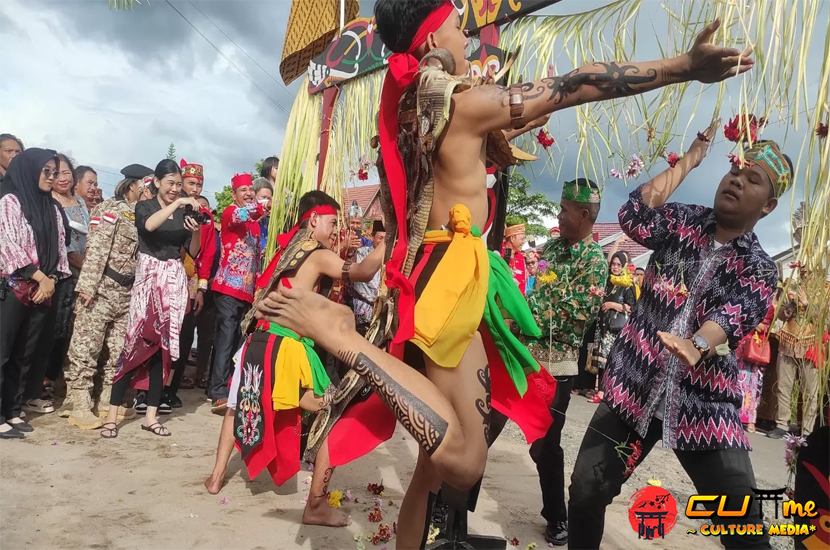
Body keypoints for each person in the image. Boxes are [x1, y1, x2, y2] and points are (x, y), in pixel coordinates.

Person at [263, 3, 753, 546]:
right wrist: (685, 65)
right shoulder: (463, 101)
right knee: (465, 461)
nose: (466, 34)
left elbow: (463, 154)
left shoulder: (414, 105)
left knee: (431, 466)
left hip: (436, 273)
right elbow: (581, 82)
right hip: (446, 280)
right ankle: (341, 335)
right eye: (456, 24)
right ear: (430, 42)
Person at [567, 129, 788, 549]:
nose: (737, 180)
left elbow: (734, 316)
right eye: (735, 170)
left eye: (753, 179)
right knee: (584, 492)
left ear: (769, 205)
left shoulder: (760, 267)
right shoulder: (682, 220)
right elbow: (633, 214)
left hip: (704, 408)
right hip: (634, 390)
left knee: (746, 531)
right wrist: (689, 161)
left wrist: (698, 345)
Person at [204, 190, 384, 528]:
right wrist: (393, 242)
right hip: (283, 347)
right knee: (333, 408)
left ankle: (215, 477)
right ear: (314, 219)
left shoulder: (288, 247)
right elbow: (361, 272)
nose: (335, 230)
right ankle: (316, 505)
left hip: (256, 341)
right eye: (332, 223)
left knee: (235, 406)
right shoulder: (316, 254)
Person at [523, 179, 608, 545]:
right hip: (523, 354)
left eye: (564, 209)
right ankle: (457, 501)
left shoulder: (594, 262)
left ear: (584, 215)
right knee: (485, 423)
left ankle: (557, 516)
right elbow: (535, 289)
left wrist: (525, 315)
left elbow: (576, 315)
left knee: (545, 442)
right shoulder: (552, 249)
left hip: (555, 367)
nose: (558, 214)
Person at [100, 160, 202, 438]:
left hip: (173, 278)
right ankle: (112, 415)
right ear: (156, 182)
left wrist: (196, 230)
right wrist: (178, 203)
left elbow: (193, 251)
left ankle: (151, 416)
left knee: (164, 348)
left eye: (179, 185)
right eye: (170, 183)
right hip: (149, 279)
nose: (175, 189)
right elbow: (148, 226)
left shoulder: (183, 211)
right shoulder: (144, 206)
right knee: (134, 342)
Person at [62, 166, 149, 429]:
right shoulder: (111, 209)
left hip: (127, 292)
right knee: (86, 347)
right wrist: (88, 286)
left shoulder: (143, 216)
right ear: (133, 186)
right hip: (102, 288)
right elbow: (97, 248)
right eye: (146, 188)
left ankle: (106, 401)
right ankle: (78, 404)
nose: (149, 193)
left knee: (117, 351)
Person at [0, 148, 69, 438]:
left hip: (43, 289)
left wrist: (50, 279)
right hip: (15, 287)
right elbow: (7, 243)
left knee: (24, 353)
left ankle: (12, 410)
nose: (52, 177)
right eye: (47, 171)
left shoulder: (51, 208)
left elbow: (59, 248)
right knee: (3, 352)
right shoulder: (10, 202)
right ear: (30, 170)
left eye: (55, 172)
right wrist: (40, 277)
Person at [156, 158, 217, 408]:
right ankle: (150, 389)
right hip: (161, 279)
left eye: (199, 184)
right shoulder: (167, 208)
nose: (195, 189)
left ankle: (171, 388)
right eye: (190, 183)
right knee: (159, 336)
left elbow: (207, 254)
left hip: (190, 284)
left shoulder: (204, 217)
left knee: (182, 337)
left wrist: (202, 288)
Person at [207, 173, 269, 413]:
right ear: (234, 194)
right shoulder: (231, 212)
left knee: (237, 340)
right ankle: (218, 392)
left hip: (246, 291)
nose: (248, 193)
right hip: (227, 287)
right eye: (243, 190)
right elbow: (246, 213)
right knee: (225, 338)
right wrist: (264, 205)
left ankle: (229, 387)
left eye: (250, 190)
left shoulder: (254, 224)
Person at [586, 251, 637, 405]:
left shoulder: (628, 284)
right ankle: (601, 391)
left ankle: (604, 392)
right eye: (613, 264)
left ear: (623, 266)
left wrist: (613, 305)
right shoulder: (608, 281)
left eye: (618, 265)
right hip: (602, 326)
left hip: (614, 329)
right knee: (601, 361)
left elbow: (632, 307)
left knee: (610, 360)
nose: (615, 267)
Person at [736, 303, 774, 433]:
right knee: (737, 383)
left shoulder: (769, 307)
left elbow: (764, 327)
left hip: (755, 349)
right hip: (740, 346)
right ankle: (735, 416)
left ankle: (751, 420)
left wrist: (750, 319)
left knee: (753, 387)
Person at [350, 220, 385, 336]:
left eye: (386, 239)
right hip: (365, 309)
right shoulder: (362, 252)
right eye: (380, 237)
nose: (382, 242)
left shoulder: (390, 255)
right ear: (372, 237)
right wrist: (377, 298)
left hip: (382, 310)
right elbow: (360, 281)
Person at [252, 177, 274, 261]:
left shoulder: (270, 221)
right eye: (263, 197)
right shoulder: (244, 215)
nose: (267, 201)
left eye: (269, 198)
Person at [502, 223, 528, 295]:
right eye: (522, 239)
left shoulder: (521, 257)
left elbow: (523, 283)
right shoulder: (499, 253)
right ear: (512, 238)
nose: (524, 242)